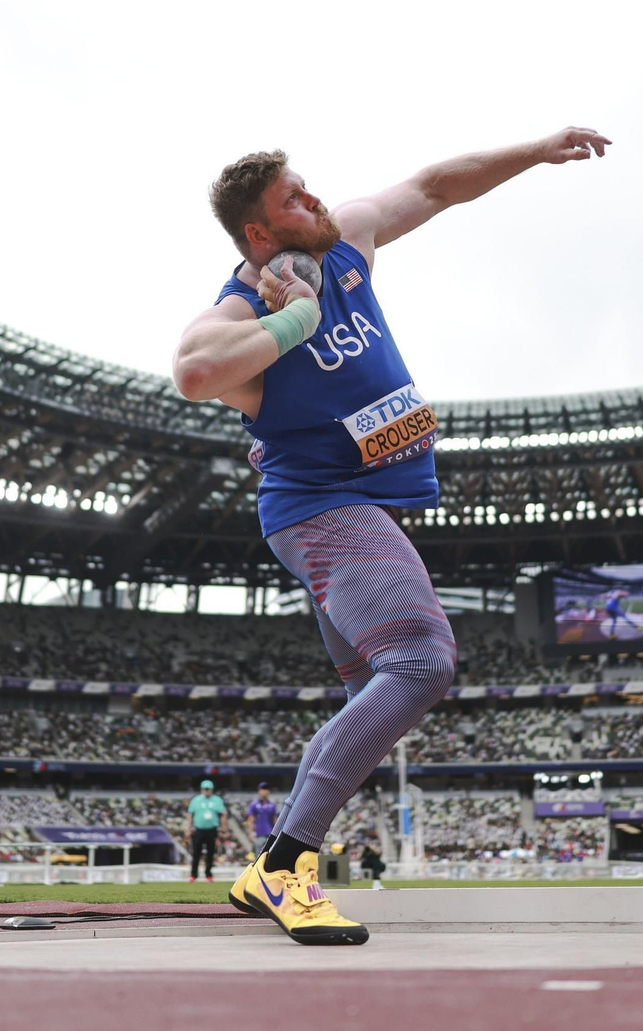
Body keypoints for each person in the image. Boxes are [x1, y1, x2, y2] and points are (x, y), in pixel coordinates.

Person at [172, 127, 611, 945]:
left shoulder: (349, 247)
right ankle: (283, 867)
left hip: (353, 504)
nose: (314, 200)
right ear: (260, 234)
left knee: (369, 691)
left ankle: (268, 871)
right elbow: (194, 371)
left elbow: (437, 184)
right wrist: (295, 320)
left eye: (308, 185)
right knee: (420, 663)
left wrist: (537, 149)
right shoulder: (246, 304)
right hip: (322, 508)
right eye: (293, 200)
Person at [188, 779, 227, 883]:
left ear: (212, 790)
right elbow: (190, 815)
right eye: (205, 789)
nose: (207, 791)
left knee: (210, 853)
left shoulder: (217, 800)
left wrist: (223, 829)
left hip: (212, 830)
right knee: (196, 853)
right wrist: (188, 829)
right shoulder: (195, 800)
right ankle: (193, 875)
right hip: (199, 830)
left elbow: (223, 815)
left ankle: (208, 875)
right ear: (201, 789)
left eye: (208, 789)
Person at [244, 783, 278, 858]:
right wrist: (250, 833)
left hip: (271, 834)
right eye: (263, 789)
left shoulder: (272, 805)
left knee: (270, 855)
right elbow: (250, 820)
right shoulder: (254, 804)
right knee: (258, 855)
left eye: (266, 789)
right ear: (259, 791)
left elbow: (275, 820)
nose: (265, 791)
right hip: (259, 834)